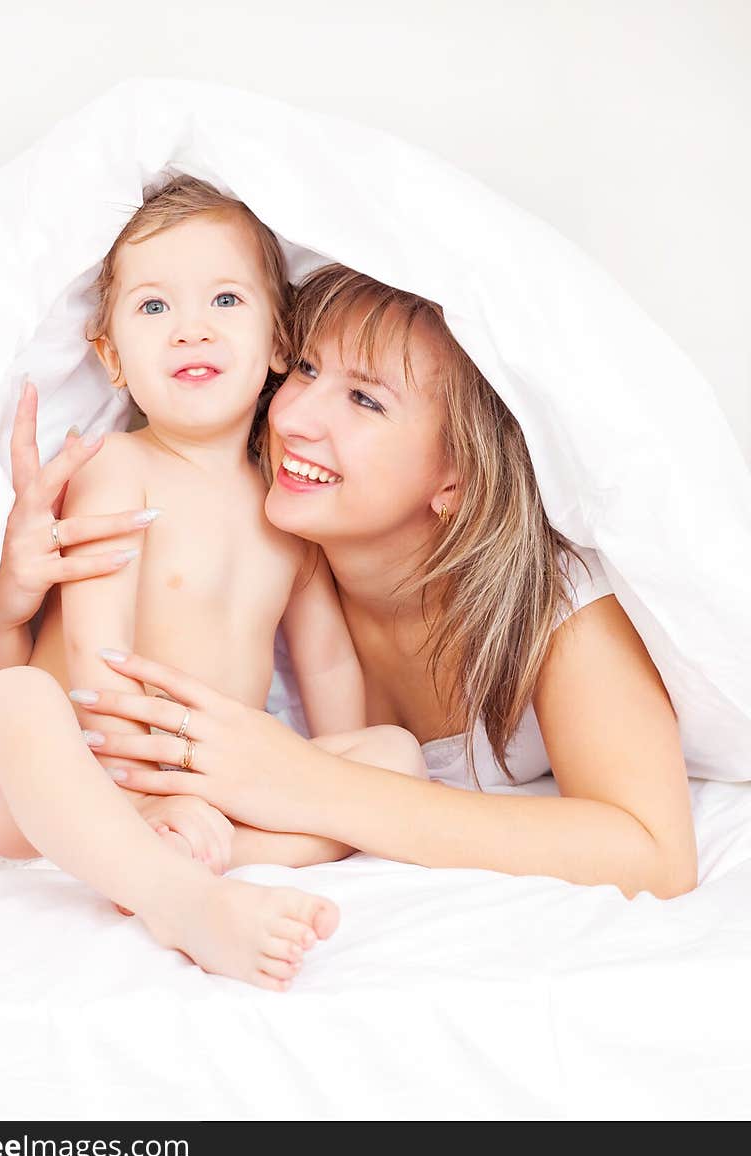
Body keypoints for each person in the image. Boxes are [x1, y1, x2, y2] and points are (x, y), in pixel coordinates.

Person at [79, 264, 699, 901]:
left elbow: (654, 853)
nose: (292, 417)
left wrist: (309, 785)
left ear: (457, 477)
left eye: (366, 400)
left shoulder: (555, 602)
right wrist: (9, 601)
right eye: (308, 369)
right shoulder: (244, 551)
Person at [0, 178, 427, 993]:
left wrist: (322, 778)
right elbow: (94, 651)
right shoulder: (119, 467)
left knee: (395, 759)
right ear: (110, 357)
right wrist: (142, 795)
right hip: (77, 774)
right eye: (153, 309)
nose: (192, 329)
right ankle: (178, 895)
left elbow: (326, 666)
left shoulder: (289, 502)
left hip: (209, 791)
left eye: (223, 298)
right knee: (12, 703)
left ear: (280, 341)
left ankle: (202, 854)